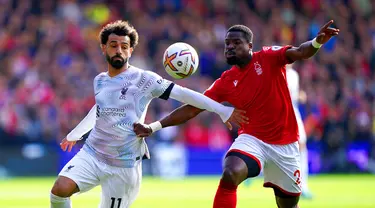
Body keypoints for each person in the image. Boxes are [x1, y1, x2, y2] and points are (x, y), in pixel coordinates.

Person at [133, 20, 339, 208]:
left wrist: (316, 43)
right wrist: (154, 126)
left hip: (285, 144)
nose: (229, 47)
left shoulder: (268, 57)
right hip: (252, 139)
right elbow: (192, 108)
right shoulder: (225, 81)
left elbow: (300, 52)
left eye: (236, 43)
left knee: (288, 206)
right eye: (226, 44)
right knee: (230, 173)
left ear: (250, 46)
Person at [50, 20, 248, 208]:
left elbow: (185, 95)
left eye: (124, 46)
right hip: (92, 154)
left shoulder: (145, 79)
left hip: (124, 166)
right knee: (59, 190)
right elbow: (100, 110)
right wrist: (75, 134)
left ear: (131, 50)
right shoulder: (99, 80)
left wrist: (222, 109)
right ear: (103, 48)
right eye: (113, 45)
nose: (119, 50)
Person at [286, 65, 313, 199]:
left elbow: (293, 96)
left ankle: (304, 185)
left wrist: (299, 95)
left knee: (301, 145)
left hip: (293, 114)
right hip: (279, 114)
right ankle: (254, 170)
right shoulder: (275, 73)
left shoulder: (294, 75)